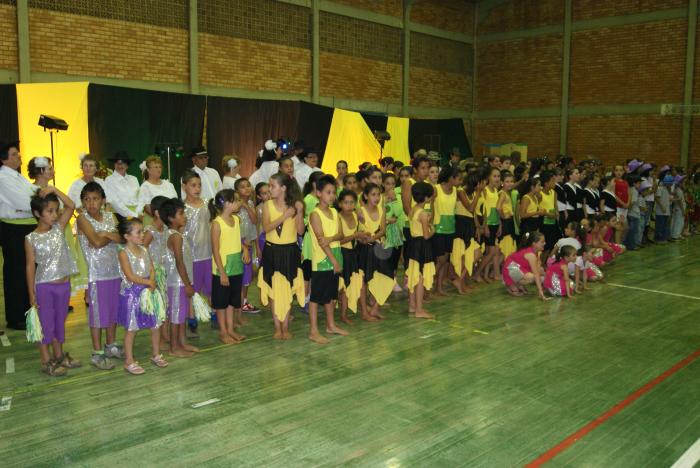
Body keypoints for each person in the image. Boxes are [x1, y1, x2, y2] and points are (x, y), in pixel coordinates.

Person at [25, 187, 80, 376]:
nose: (55, 214)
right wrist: (31, 293)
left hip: (63, 285)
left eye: (56, 210)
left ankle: (59, 355)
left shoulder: (58, 228)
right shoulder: (31, 238)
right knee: (45, 323)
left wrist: (54, 190)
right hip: (44, 287)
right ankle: (46, 360)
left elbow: (71, 205)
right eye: (50, 211)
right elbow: (30, 266)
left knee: (59, 322)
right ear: (37, 213)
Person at [76, 182, 124, 370]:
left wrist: (109, 234)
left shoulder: (111, 216)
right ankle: (97, 353)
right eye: (86, 199)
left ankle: (111, 345)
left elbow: (123, 237)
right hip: (96, 274)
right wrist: (110, 235)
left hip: (114, 271)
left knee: (112, 310)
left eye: (95, 199)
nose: (91, 203)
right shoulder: (82, 218)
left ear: (103, 200)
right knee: (97, 315)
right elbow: (95, 242)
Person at [117, 218, 168, 375]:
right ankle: (129, 361)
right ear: (127, 236)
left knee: (155, 325)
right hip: (133, 294)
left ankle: (156, 354)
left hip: (148, 292)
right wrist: (148, 281)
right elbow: (130, 276)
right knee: (132, 328)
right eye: (138, 232)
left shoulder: (145, 250)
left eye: (142, 231)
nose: (142, 234)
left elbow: (151, 267)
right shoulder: (123, 253)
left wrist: (152, 280)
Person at [258, 173, 305, 340]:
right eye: (269, 186)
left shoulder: (295, 205)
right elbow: (267, 228)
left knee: (286, 290)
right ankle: (277, 327)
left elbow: (300, 231)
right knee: (273, 291)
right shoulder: (267, 205)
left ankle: (286, 326)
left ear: (283, 188)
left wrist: (298, 212)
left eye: (273, 186)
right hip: (272, 251)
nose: (269, 189)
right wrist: (285, 216)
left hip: (290, 251)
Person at [0, 142, 37, 330]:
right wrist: (38, 201)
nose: (19, 156)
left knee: (27, 270)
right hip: (13, 229)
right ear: (4, 158)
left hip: (26, 226)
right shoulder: (3, 177)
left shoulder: (17, 176)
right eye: (14, 154)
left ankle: (27, 310)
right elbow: (24, 201)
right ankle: (15, 317)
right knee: (15, 272)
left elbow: (34, 194)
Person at [308, 175, 347, 344]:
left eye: (334, 192)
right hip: (323, 261)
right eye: (328, 192)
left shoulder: (334, 212)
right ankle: (313, 331)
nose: (332, 196)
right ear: (318, 193)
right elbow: (320, 241)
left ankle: (331, 325)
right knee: (316, 297)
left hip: (336, 256)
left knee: (331, 296)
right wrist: (334, 261)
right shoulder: (315, 215)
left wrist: (330, 239)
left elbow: (340, 234)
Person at [209, 189, 247, 344]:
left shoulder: (237, 220)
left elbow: (238, 239)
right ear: (226, 204)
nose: (239, 203)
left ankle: (231, 329)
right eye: (235, 200)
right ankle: (223, 331)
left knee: (232, 301)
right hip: (222, 268)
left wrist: (244, 249)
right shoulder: (217, 224)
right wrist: (222, 272)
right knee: (221, 303)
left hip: (236, 266)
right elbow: (215, 250)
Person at [161, 198, 198, 357]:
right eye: (181, 213)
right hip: (177, 282)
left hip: (180, 281)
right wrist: (187, 283)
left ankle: (182, 343)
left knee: (180, 314)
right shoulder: (175, 236)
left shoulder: (176, 234)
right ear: (171, 218)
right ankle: (174, 348)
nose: (185, 216)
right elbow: (179, 261)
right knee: (176, 316)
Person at [181, 169, 212, 337]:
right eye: (193, 185)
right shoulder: (182, 208)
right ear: (184, 186)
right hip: (191, 256)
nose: (197, 188)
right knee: (193, 290)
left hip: (207, 253)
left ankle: (214, 315)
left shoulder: (207, 203)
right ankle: (191, 321)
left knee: (211, 288)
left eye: (199, 185)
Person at [357, 183, 394, 321]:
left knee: (389, 277)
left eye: (378, 194)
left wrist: (373, 238)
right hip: (364, 249)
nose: (377, 197)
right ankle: (364, 312)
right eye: (373, 194)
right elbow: (357, 231)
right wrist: (363, 237)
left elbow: (383, 230)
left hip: (378, 247)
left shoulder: (381, 210)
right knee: (364, 280)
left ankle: (374, 308)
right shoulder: (360, 211)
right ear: (366, 196)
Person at [406, 181, 436, 319]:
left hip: (413, 245)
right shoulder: (423, 213)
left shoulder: (413, 209)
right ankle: (419, 309)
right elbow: (426, 235)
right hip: (421, 245)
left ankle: (412, 305)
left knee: (413, 276)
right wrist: (433, 230)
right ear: (427, 198)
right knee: (420, 278)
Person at [336, 189, 363, 325]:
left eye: (352, 202)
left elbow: (357, 236)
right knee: (342, 286)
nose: (349, 205)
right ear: (340, 204)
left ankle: (344, 314)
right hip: (341, 254)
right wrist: (355, 236)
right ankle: (342, 313)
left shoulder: (355, 215)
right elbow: (338, 241)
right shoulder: (338, 217)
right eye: (346, 202)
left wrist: (362, 236)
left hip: (353, 253)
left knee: (348, 285)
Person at [432, 166, 460, 295]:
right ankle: (428, 284)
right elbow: (429, 206)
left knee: (445, 260)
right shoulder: (436, 189)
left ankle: (438, 288)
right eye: (458, 178)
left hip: (450, 228)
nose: (460, 180)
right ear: (450, 178)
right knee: (440, 260)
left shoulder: (455, 191)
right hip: (438, 229)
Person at [234, 178, 259, 314]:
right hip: (238, 244)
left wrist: (247, 206)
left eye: (248, 185)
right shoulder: (234, 205)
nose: (246, 189)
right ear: (237, 190)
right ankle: (237, 303)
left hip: (248, 243)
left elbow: (255, 221)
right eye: (242, 187)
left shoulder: (250, 203)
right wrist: (241, 205)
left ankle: (244, 302)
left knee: (247, 276)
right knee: (238, 274)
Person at [501, 231, 547, 300]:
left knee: (541, 270)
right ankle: (511, 285)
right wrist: (540, 291)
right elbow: (536, 274)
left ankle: (517, 284)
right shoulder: (531, 255)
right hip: (509, 269)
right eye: (542, 242)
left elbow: (539, 269)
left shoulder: (535, 252)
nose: (545, 243)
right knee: (532, 277)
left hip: (516, 267)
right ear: (534, 243)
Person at [103, 152, 140, 220]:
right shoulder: (109, 180)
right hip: (120, 217)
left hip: (138, 214)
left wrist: (139, 213)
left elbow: (139, 198)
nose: (120, 166)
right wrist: (135, 215)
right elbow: (116, 204)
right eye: (117, 163)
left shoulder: (134, 179)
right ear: (114, 165)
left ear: (127, 165)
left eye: (123, 163)